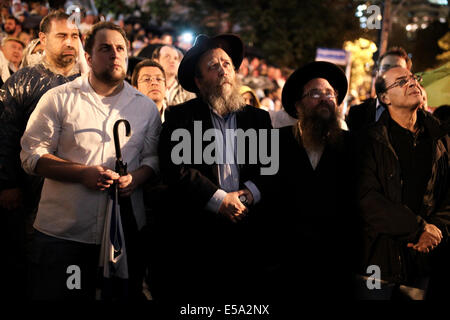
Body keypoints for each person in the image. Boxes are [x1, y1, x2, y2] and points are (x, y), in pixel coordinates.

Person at [20, 21, 161, 300]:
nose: (115, 54)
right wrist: (81, 173)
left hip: (123, 235)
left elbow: (153, 157)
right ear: (88, 56)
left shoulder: (144, 106)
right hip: (65, 234)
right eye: (105, 48)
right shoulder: (58, 99)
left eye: (120, 48)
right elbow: (30, 155)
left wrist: (137, 178)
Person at [156, 33, 274, 300]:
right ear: (198, 81)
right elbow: (176, 169)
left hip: (248, 231)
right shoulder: (180, 117)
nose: (223, 70)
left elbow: (271, 168)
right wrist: (219, 200)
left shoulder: (258, 118)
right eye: (213, 66)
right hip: (196, 234)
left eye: (227, 64)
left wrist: (245, 196)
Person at [0, 10, 81, 300]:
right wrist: (7, 183)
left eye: (74, 36)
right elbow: (6, 133)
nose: (70, 42)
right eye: (62, 36)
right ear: (43, 39)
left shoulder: (91, 80)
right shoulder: (21, 81)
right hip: (31, 187)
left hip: (80, 188)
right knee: (32, 256)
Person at [355, 67, 450, 300]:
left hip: (425, 260)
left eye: (413, 78)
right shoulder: (368, 141)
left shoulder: (442, 138)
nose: (412, 83)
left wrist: (436, 229)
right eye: (401, 82)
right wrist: (417, 230)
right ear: (384, 98)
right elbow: (368, 199)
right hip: (377, 261)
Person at [270, 61, 357, 300]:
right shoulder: (276, 142)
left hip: (335, 266)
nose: (324, 98)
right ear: (299, 105)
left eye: (329, 93)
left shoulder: (354, 145)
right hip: (286, 264)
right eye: (315, 93)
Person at [347, 46, 412, 132]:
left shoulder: (417, 118)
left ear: (407, 76)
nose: (390, 72)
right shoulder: (357, 113)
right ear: (378, 73)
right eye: (385, 68)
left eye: (397, 68)